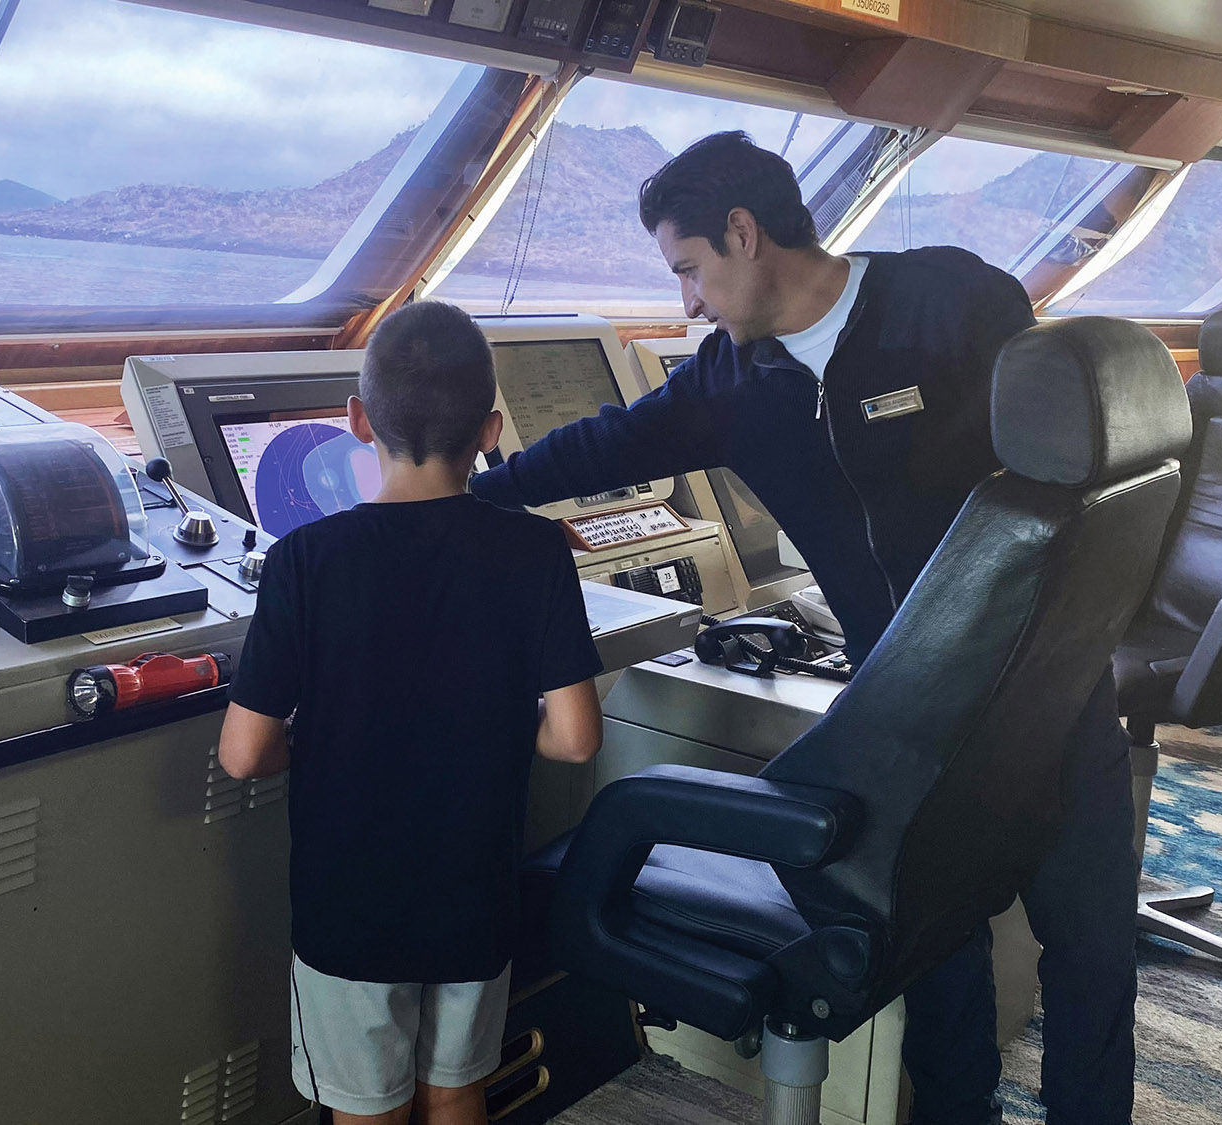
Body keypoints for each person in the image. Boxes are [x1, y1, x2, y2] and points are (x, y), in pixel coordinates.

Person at [470, 131, 1137, 1124]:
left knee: (1088, 945)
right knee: (934, 948)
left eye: (689, 270)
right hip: (906, 720)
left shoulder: (950, 303)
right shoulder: (732, 385)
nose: (687, 300)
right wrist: (466, 499)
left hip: (1050, 685)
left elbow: (1063, 470)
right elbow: (604, 444)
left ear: (742, 233)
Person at [218, 299, 606, 1125]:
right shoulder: (536, 550)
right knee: (456, 1087)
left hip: (349, 905)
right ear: (492, 429)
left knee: (368, 1103)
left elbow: (245, 753)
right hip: (473, 892)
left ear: (358, 420)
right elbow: (574, 738)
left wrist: (319, 740)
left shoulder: (302, 561)